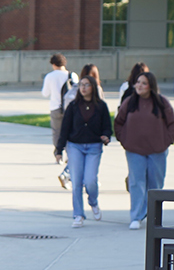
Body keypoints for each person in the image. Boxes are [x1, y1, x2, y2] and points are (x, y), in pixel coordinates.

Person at [115, 71, 174, 229]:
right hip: (134, 150)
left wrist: (167, 140)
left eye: (143, 83)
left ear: (150, 86)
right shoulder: (130, 102)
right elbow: (118, 122)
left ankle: (153, 215)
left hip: (157, 151)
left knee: (155, 185)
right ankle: (136, 217)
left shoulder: (161, 102)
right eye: (138, 82)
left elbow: (171, 123)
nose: (139, 86)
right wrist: (124, 139)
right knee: (136, 183)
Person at [55, 74, 112, 228]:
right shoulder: (73, 107)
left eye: (87, 85)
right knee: (76, 182)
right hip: (75, 146)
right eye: (81, 85)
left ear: (93, 87)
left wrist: (106, 136)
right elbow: (65, 129)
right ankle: (78, 215)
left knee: (90, 180)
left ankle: (93, 201)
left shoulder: (101, 106)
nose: (83, 88)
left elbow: (107, 126)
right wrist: (59, 149)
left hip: (94, 146)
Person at [41, 54, 77, 189]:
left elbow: (45, 93)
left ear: (53, 64)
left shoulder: (50, 76)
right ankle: (70, 155)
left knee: (57, 133)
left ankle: (58, 155)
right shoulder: (71, 75)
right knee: (70, 132)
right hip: (70, 109)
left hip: (55, 107)